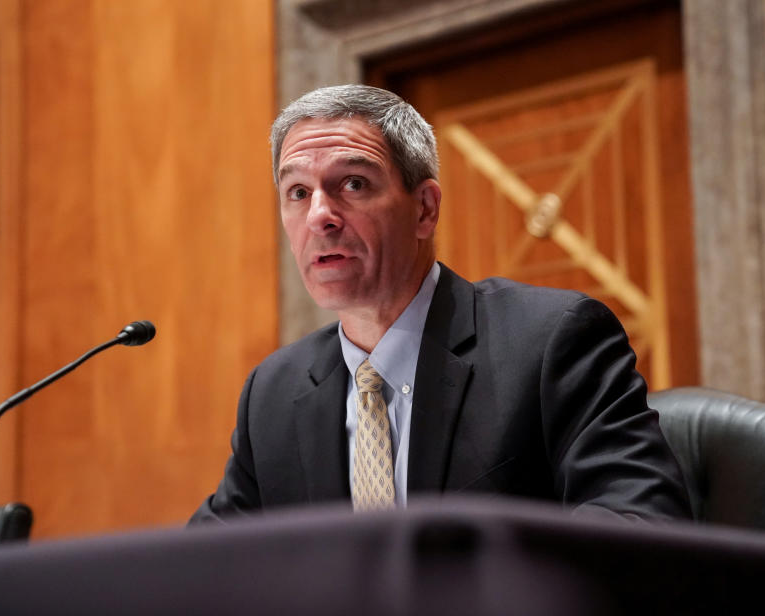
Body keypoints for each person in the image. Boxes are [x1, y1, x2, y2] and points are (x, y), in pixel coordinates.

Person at [190, 85, 690, 523]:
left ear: (425, 209)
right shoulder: (273, 394)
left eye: (353, 184)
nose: (320, 216)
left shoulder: (549, 342)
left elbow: (639, 518)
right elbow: (205, 571)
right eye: (297, 192)